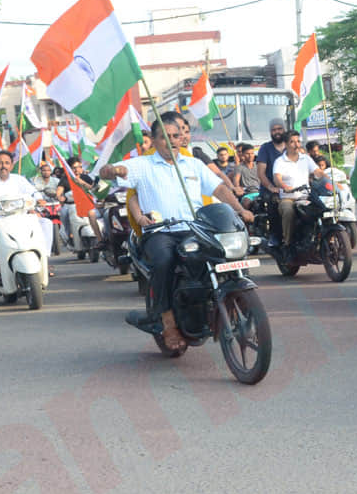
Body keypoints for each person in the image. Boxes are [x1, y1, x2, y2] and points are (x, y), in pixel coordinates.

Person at [100, 113, 253, 354]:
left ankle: (218, 302)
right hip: (160, 233)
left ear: (182, 138)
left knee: (223, 254)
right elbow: (121, 169)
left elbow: (220, 189)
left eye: (175, 136)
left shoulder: (193, 164)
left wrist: (240, 209)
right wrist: (111, 170)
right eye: (164, 137)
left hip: (194, 230)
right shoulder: (143, 165)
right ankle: (167, 322)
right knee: (164, 261)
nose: (171, 141)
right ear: (154, 139)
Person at [0, 150, 54, 285]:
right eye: (0, 163)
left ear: (11, 165)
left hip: (20, 216)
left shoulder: (19, 179)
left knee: (46, 223)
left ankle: (44, 260)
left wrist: (39, 200)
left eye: (7, 163)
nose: (4, 166)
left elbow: (33, 193)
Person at [272, 130, 327, 247]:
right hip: (289, 198)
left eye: (298, 141)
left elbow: (318, 172)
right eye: (292, 142)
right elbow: (277, 178)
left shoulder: (306, 159)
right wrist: (284, 186)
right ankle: (288, 243)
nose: (296, 144)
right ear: (286, 144)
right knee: (288, 211)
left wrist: (332, 182)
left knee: (324, 207)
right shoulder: (280, 161)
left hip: (307, 196)